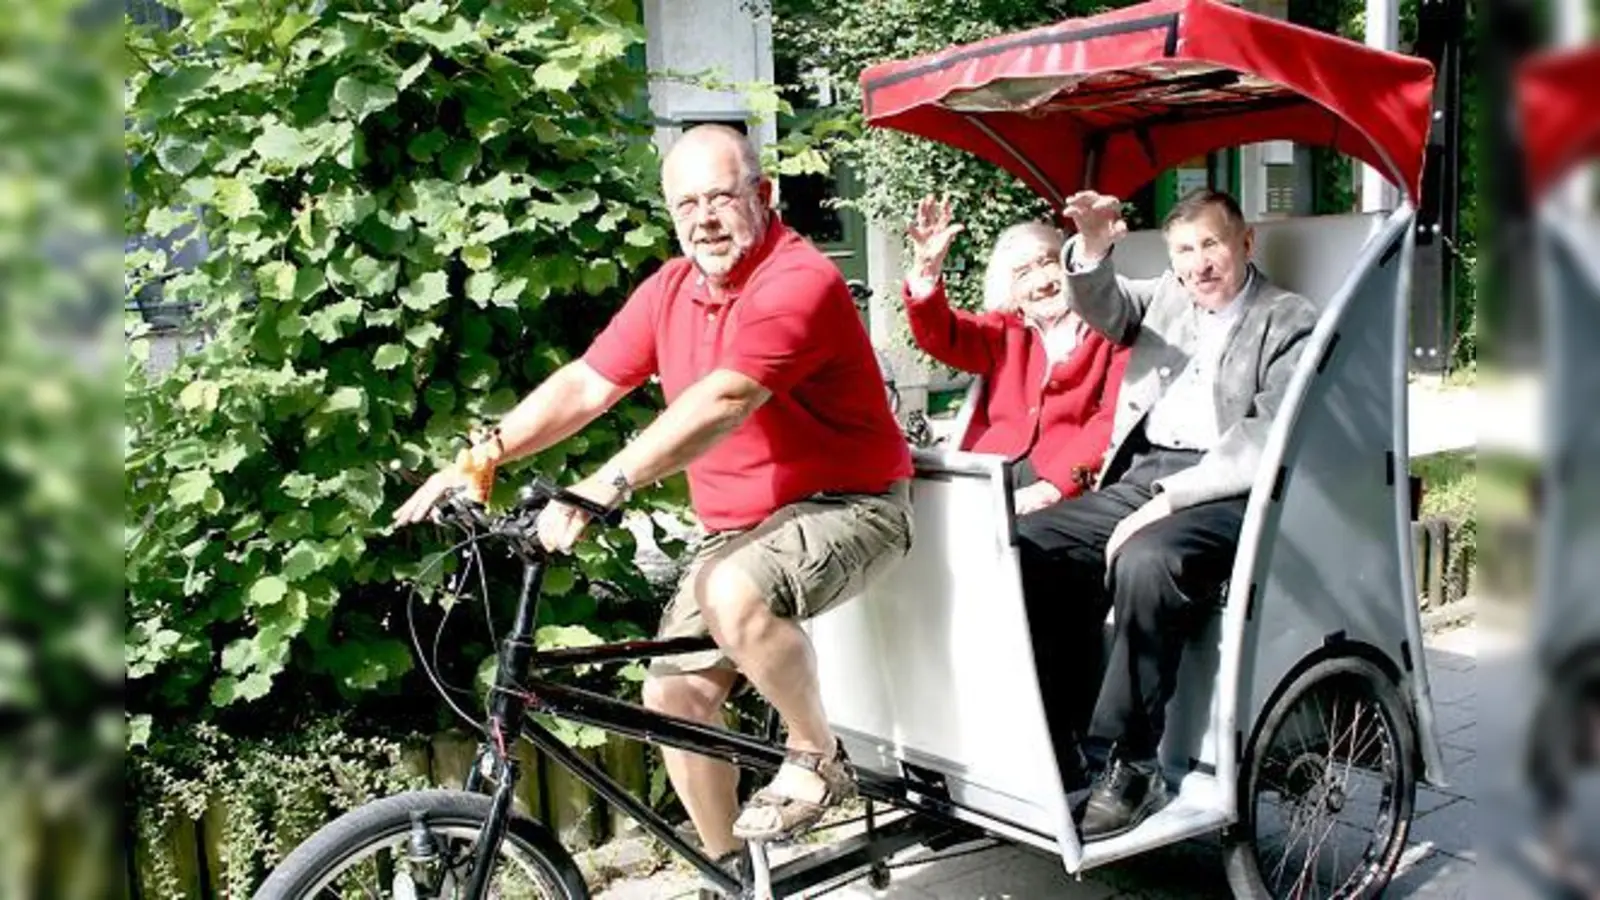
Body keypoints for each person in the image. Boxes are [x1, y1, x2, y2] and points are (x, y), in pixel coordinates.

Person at [393, 125, 915, 872]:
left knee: (733, 591)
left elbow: (726, 399)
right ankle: (726, 870)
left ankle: (816, 756)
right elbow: (589, 383)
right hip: (742, 527)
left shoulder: (799, 280)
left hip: (854, 505)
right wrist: (481, 457)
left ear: (763, 197)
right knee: (674, 701)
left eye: (721, 198)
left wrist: (605, 486)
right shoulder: (670, 290)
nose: (704, 218)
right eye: (686, 204)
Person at [1017, 187, 1318, 841]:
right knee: (1027, 547)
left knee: (1149, 557)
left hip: (1228, 491)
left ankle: (1131, 762)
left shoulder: (1287, 317)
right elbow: (1104, 305)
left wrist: (1166, 504)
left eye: (1211, 243)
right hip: (1146, 473)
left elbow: (1264, 439)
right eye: (1184, 250)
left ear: (1245, 243)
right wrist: (1093, 246)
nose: (1198, 263)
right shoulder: (1170, 298)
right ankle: (1061, 744)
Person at [901, 195, 1128, 514]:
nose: (1043, 283)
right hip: (993, 469)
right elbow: (943, 336)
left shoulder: (1112, 326)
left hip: (1067, 483)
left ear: (1069, 267)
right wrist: (927, 269)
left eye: (1049, 262)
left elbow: (1113, 420)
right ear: (1010, 290)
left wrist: (1052, 487)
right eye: (1023, 273)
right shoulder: (1004, 331)